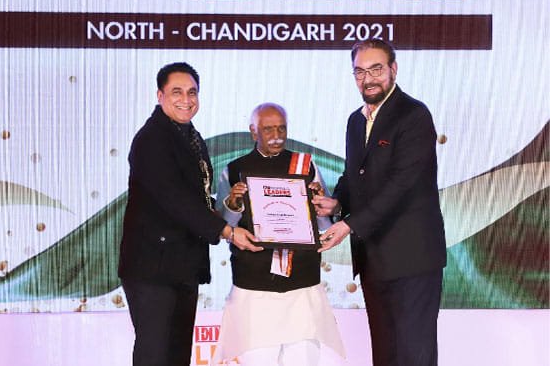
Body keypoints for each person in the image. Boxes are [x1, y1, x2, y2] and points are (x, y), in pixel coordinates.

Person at [312, 39, 447, 366]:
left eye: (376, 69)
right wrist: (336, 203)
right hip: (373, 258)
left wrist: (349, 224)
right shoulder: (356, 121)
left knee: (413, 355)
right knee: (385, 355)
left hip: (412, 259)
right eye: (360, 71)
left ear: (393, 69)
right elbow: (354, 174)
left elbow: (402, 185)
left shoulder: (413, 115)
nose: (368, 79)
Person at [118, 62, 262, 366]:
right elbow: (174, 199)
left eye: (192, 92)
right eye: (177, 92)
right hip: (153, 269)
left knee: (177, 356)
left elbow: (195, 198)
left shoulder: (190, 137)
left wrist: (229, 206)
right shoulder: (152, 139)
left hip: (181, 265)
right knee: (155, 356)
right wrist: (227, 231)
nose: (186, 99)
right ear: (160, 95)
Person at [211, 103, 346, 366]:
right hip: (254, 285)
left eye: (282, 128)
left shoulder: (305, 165)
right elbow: (225, 228)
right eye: (268, 129)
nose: (277, 135)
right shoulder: (235, 169)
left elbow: (323, 223)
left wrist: (320, 203)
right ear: (253, 131)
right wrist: (233, 204)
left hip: (303, 284)